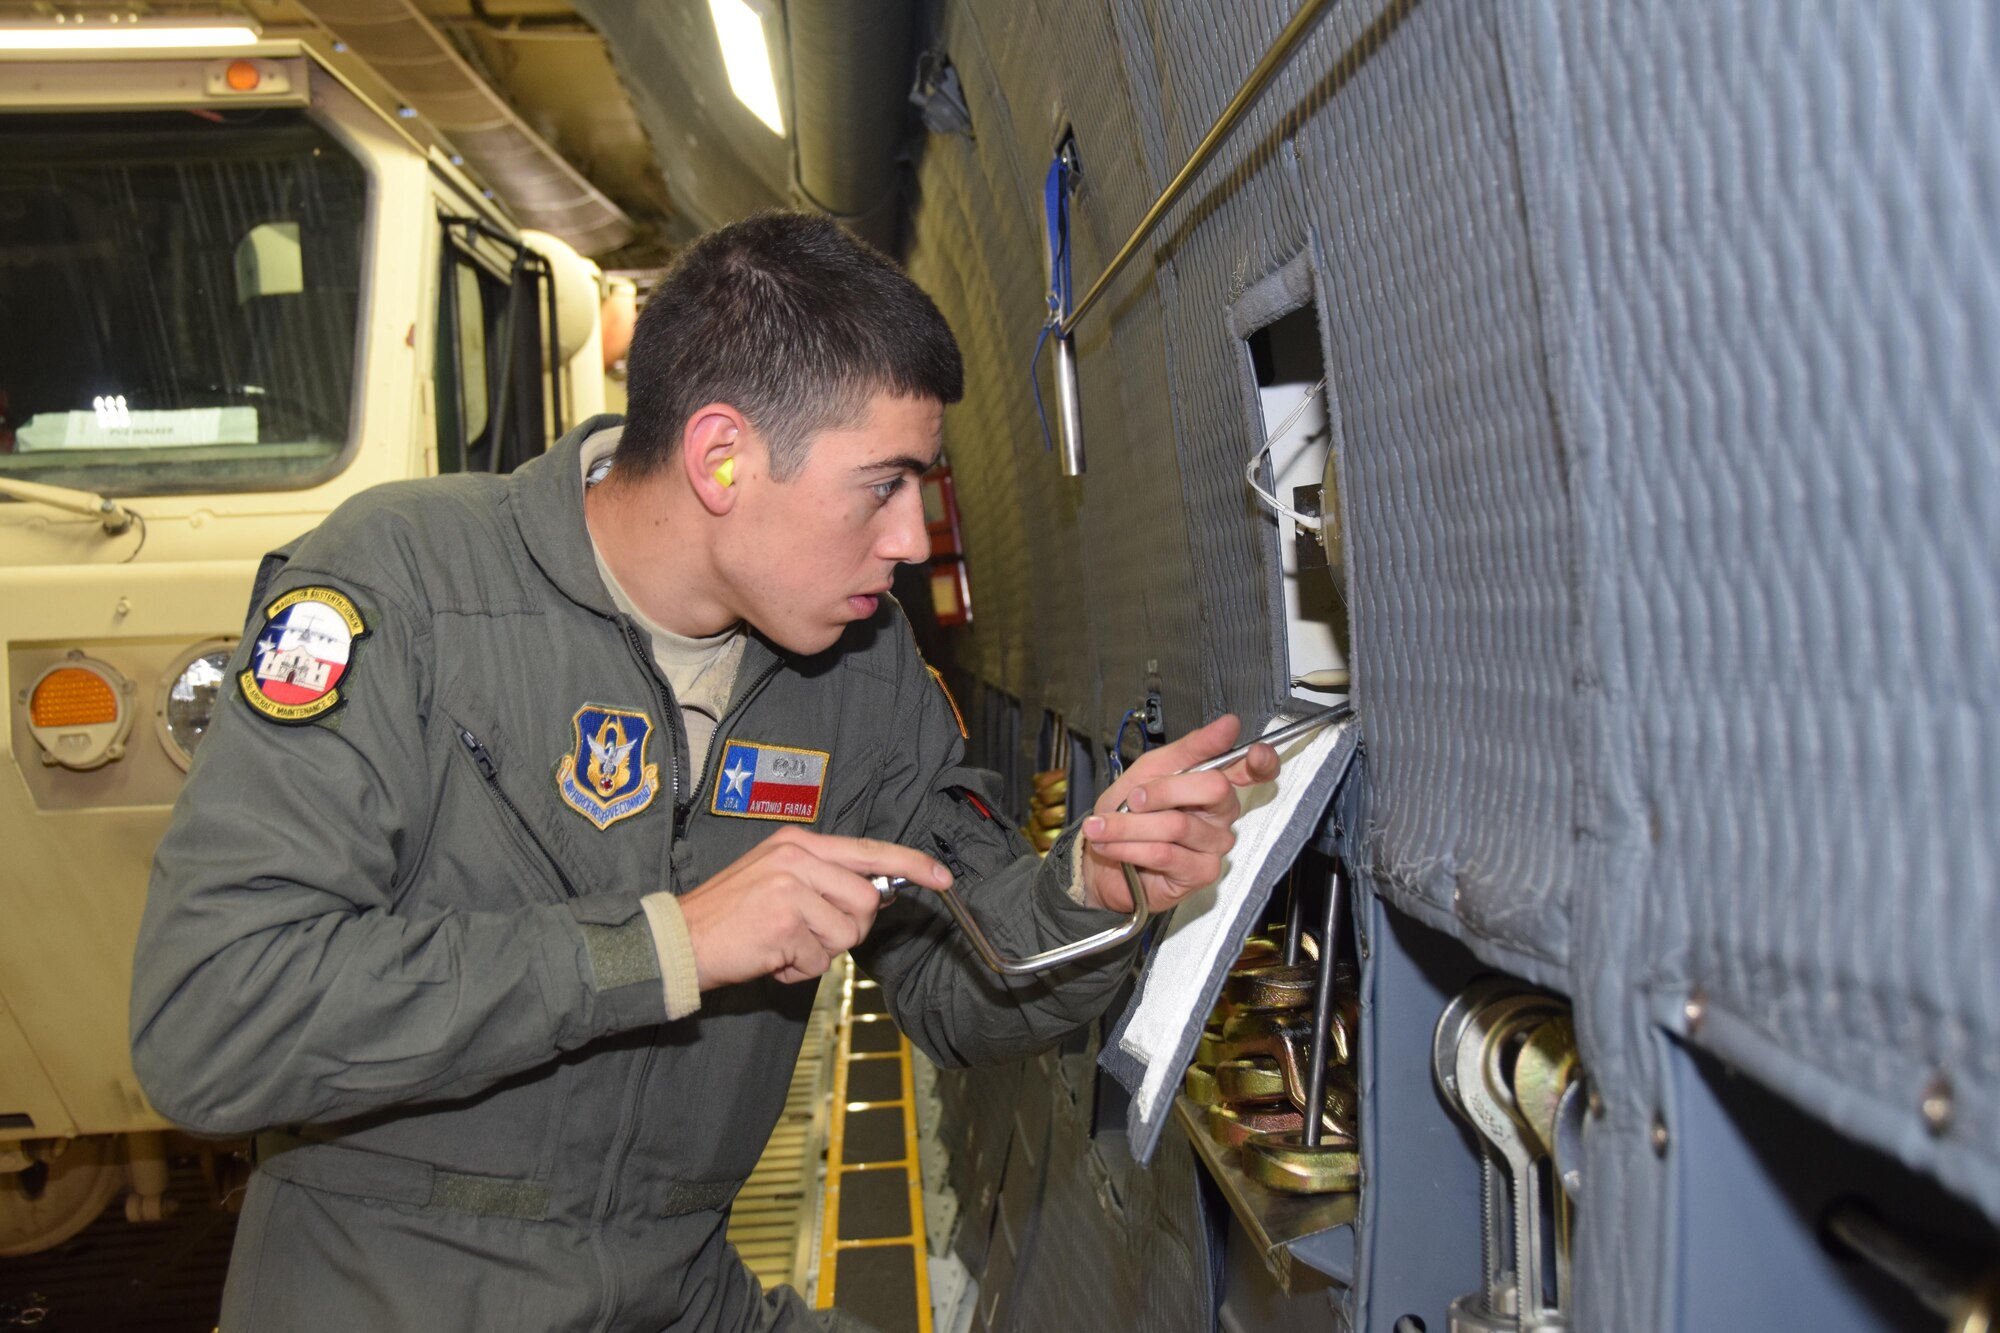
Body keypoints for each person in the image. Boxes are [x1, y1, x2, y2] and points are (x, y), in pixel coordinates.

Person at [130, 211, 1278, 1332]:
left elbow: (961, 984)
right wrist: (664, 946)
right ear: (721, 454)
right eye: (882, 484)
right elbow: (213, 1023)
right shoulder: (403, 588)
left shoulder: (862, 668)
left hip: (672, 1284)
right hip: (391, 1283)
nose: (911, 542)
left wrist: (1088, 888)